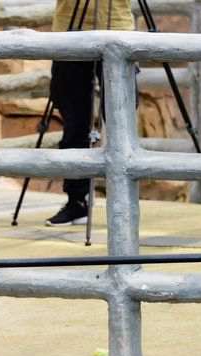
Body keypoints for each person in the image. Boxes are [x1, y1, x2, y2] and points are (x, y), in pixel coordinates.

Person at [45, 0, 134, 226]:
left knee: (121, 122)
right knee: (74, 120)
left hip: (116, 29)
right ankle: (77, 200)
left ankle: (126, 204)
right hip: (69, 30)